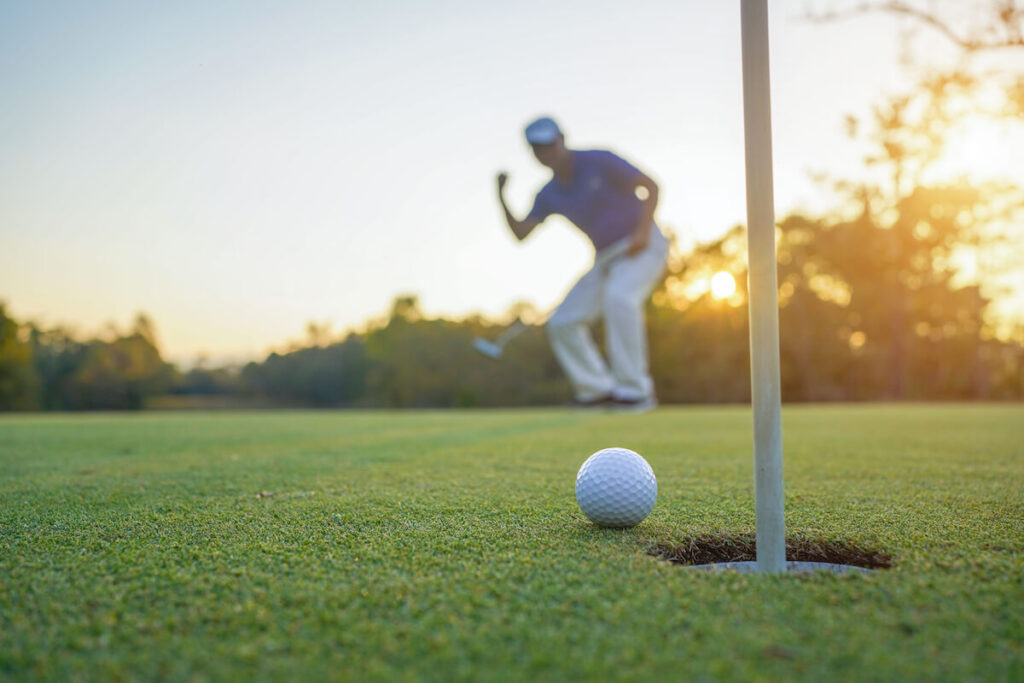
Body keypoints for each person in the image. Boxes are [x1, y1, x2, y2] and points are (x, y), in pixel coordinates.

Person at [496, 116, 668, 412]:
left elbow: (651, 186)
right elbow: (521, 233)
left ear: (562, 138)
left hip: (642, 245)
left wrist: (642, 231)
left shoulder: (599, 160)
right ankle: (597, 391)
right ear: (533, 153)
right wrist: (501, 195)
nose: (546, 152)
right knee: (563, 322)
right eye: (538, 148)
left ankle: (635, 392)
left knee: (620, 298)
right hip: (605, 259)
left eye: (550, 144)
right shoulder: (548, 193)